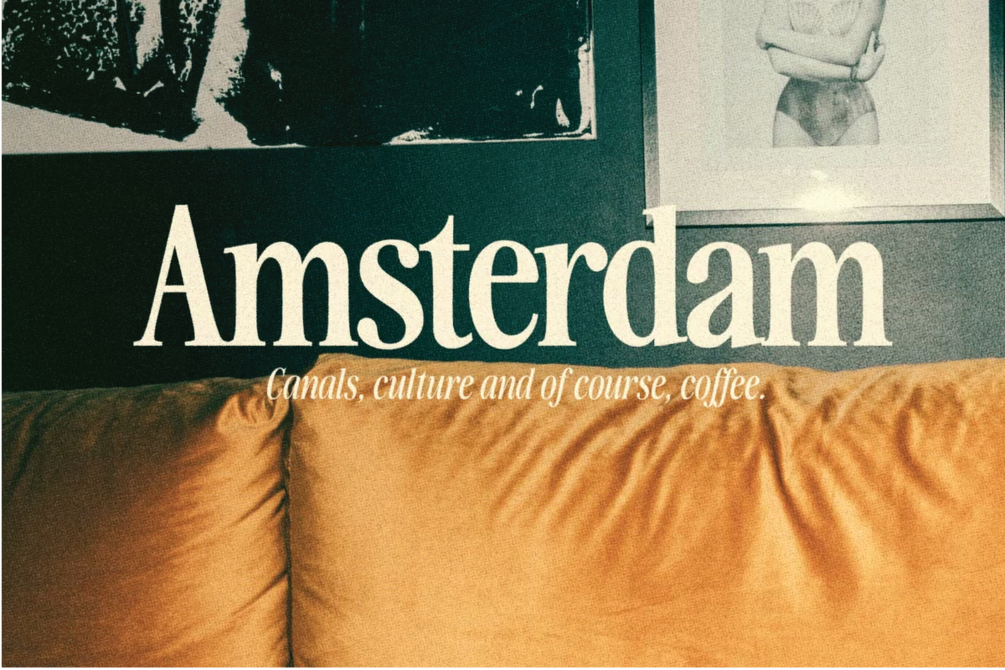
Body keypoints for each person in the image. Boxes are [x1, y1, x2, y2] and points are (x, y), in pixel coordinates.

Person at [757, 0, 887, 147]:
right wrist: (853, 74)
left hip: (854, 116)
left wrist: (772, 34)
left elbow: (849, 52)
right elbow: (780, 62)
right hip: (795, 114)